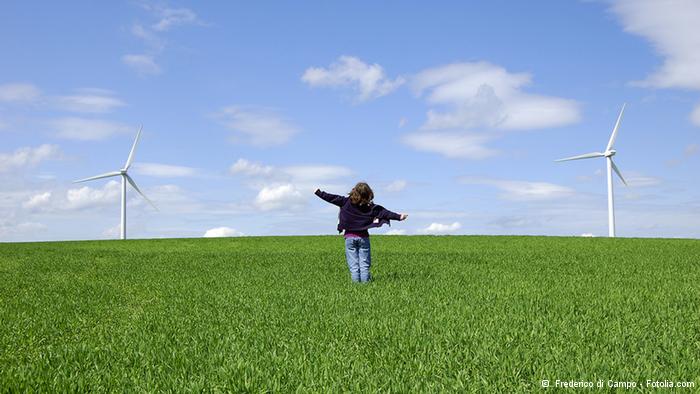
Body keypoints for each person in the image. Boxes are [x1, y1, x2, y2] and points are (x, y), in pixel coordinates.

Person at [314, 182, 408, 283]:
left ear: (353, 191)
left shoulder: (345, 202)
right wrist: (399, 217)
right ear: (368, 194)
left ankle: (356, 288)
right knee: (364, 265)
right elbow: (385, 213)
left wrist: (318, 192)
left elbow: (330, 197)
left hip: (349, 238)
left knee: (353, 265)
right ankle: (365, 286)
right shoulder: (370, 207)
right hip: (363, 238)